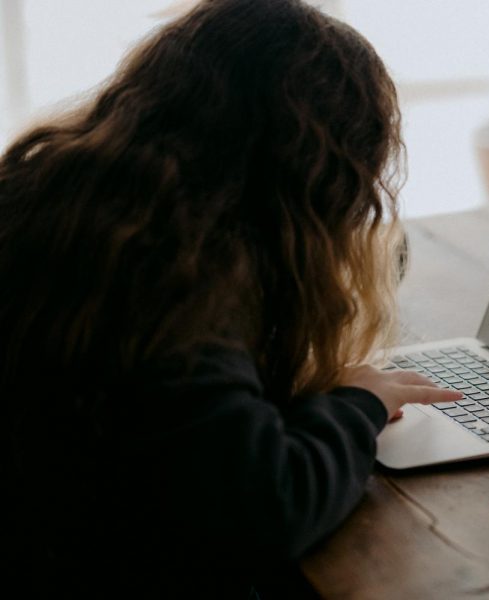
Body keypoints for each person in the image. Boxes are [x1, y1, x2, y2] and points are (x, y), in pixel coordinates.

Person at [0, 0, 461, 596]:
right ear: (315, 173)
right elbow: (263, 510)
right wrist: (358, 405)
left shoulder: (65, 197)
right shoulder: (176, 280)